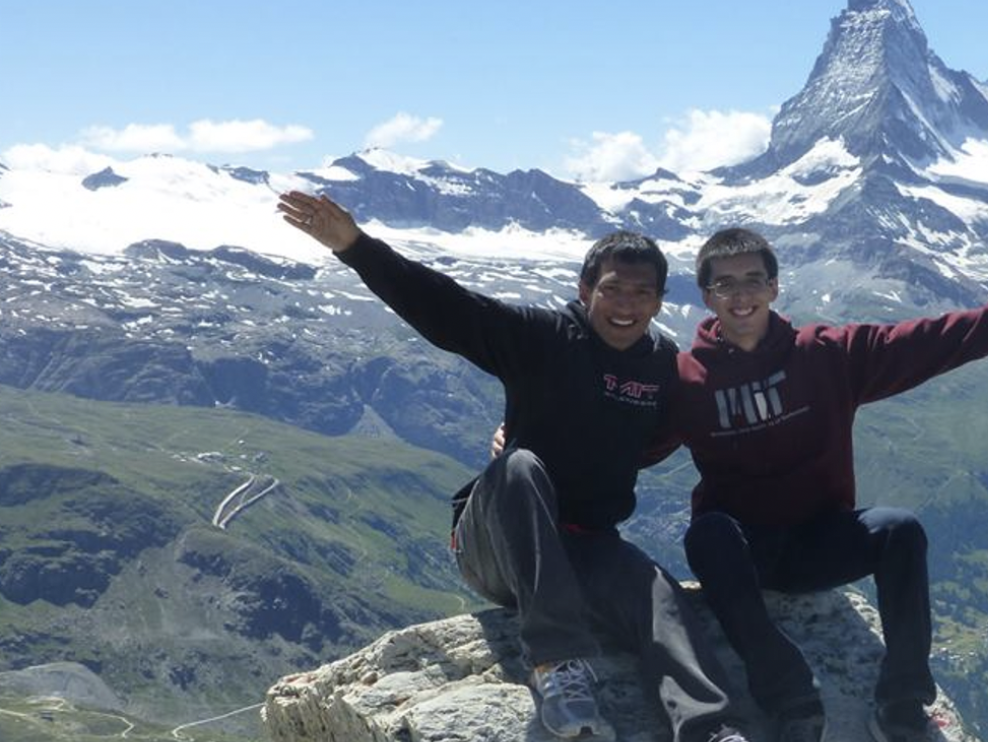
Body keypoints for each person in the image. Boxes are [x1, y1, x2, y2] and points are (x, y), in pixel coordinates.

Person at [276, 192, 750, 742]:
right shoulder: (541, 338)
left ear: (660, 301)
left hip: (587, 545)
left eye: (642, 293)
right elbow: (446, 308)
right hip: (497, 544)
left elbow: (680, 429)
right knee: (520, 466)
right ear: (584, 290)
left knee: (657, 593)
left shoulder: (662, 365)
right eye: (612, 289)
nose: (626, 304)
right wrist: (355, 247)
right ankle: (557, 666)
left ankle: (710, 728)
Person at [667, 227, 988, 742]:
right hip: (742, 556)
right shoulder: (686, 380)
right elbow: (627, 439)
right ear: (707, 297)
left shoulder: (825, 354)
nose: (741, 296)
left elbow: (933, 339)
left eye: (754, 280)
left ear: (775, 287)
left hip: (820, 543)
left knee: (899, 529)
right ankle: (791, 698)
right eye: (725, 285)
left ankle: (902, 703)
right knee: (707, 533)